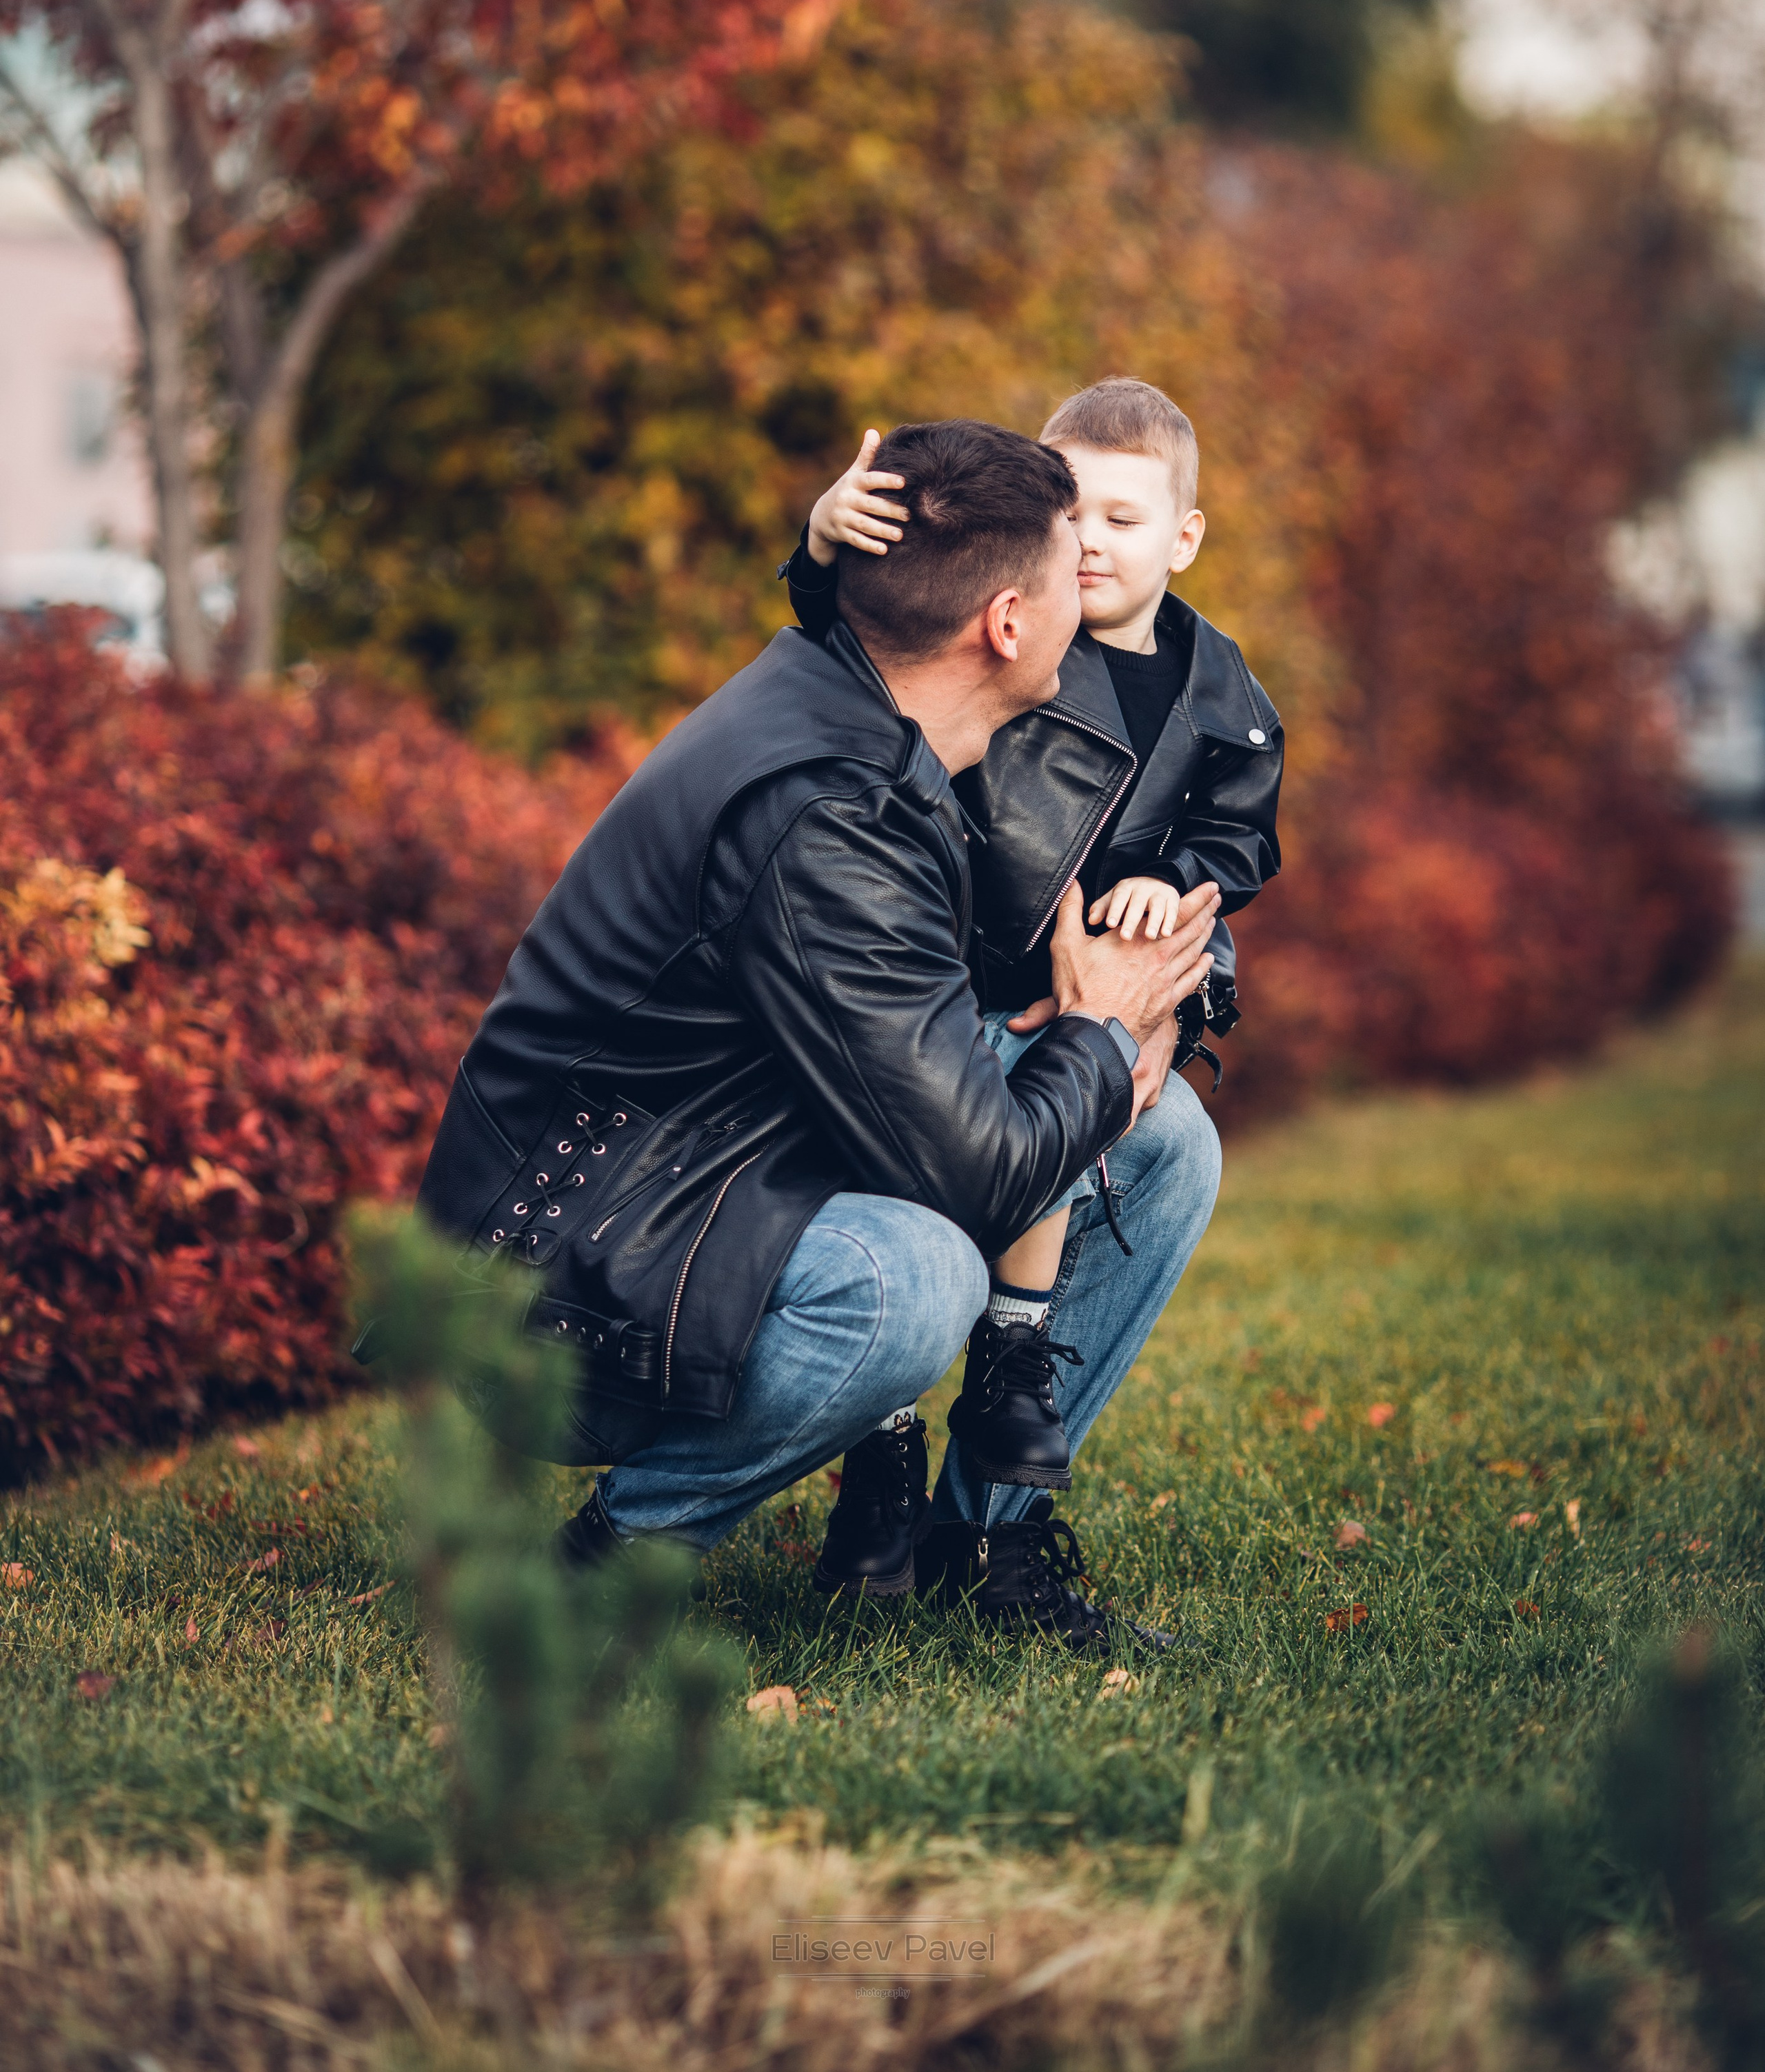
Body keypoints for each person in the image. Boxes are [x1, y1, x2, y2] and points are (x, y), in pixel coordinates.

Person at [416, 419, 1222, 1649]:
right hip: (557, 1264)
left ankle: (981, 1549)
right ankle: (611, 1562)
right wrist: (1103, 1029)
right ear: (1007, 623)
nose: (1093, 596)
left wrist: (1124, 1041)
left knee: (1163, 1142)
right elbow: (977, 1171)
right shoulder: (825, 815)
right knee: (913, 1278)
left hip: (716, 1171)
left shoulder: (859, 699)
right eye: (1070, 571)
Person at [781, 379, 1281, 1549]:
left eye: (1125, 518)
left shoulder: (1223, 689)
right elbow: (850, 652)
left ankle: (999, 1463)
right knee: (942, 1149)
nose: (1092, 542)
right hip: (953, 977)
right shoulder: (998, 628)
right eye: (1072, 517)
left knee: (1109, 1110)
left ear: (1186, 537)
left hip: (1089, 980)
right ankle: (888, 1449)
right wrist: (820, 545)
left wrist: (1185, 921)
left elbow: (1242, 829)